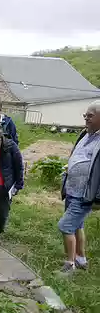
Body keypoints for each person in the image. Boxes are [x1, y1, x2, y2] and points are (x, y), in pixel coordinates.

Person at [59, 100, 100, 273]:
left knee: (65, 226)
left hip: (85, 193)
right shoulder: (86, 134)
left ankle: (70, 265)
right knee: (77, 225)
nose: (86, 119)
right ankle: (81, 259)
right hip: (72, 189)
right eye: (85, 115)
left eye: (90, 116)